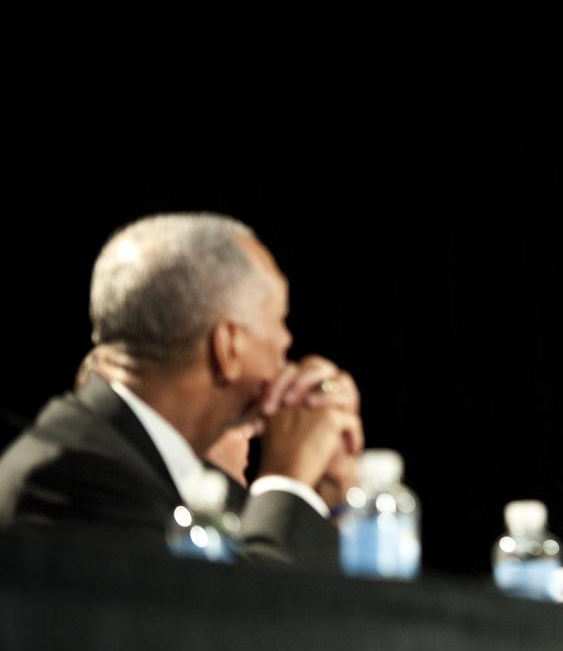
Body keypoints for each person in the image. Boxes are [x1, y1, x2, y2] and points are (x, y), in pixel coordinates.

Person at [0, 213, 363, 570]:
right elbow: (233, 621)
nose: (287, 343)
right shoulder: (71, 476)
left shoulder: (187, 475)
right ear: (228, 346)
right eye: (279, 321)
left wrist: (325, 500)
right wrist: (288, 481)